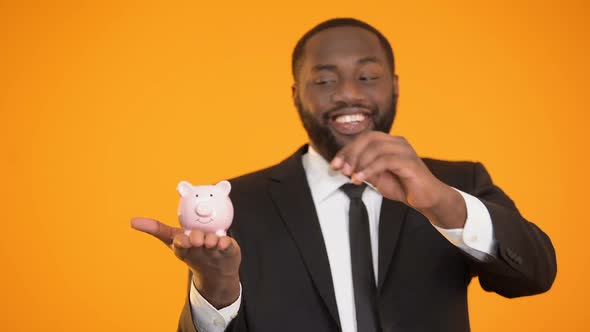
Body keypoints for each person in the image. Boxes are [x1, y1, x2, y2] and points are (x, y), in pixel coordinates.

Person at [131, 18, 557, 332]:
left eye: (367, 77)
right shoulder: (239, 204)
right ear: (297, 95)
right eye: (324, 80)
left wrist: (442, 202)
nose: (349, 93)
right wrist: (215, 288)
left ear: (393, 85)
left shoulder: (455, 183)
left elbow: (536, 275)